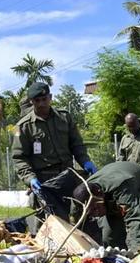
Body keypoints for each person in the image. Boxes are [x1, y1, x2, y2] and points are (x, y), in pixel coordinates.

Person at [11, 82, 97, 222]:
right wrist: (30, 178)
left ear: (50, 97)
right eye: (37, 101)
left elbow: (77, 144)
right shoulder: (24, 127)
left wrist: (85, 161)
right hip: (45, 181)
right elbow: (19, 157)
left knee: (82, 217)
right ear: (32, 102)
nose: (41, 104)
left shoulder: (64, 118)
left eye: (44, 99)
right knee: (51, 223)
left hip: (68, 176)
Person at [72, 161, 140, 253]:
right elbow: (73, 223)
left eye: (95, 209)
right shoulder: (79, 199)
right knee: (109, 238)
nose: (96, 214)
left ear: (99, 193)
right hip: (109, 199)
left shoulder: (122, 186)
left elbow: (134, 219)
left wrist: (138, 252)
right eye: (90, 212)